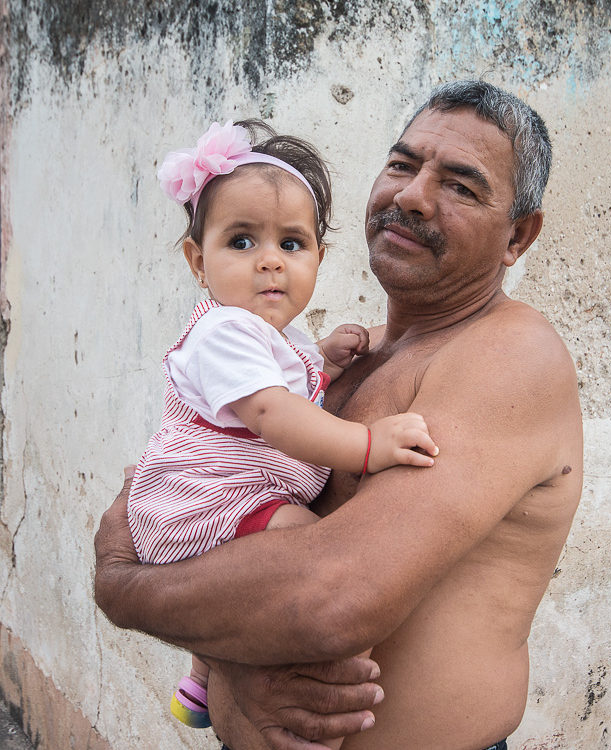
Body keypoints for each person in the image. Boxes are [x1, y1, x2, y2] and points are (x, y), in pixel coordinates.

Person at [95, 80, 583, 750]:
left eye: (461, 187)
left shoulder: (510, 356)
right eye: (403, 165)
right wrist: (240, 655)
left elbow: (329, 598)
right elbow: (169, 481)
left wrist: (125, 589)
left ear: (518, 236)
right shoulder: (338, 359)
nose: (412, 195)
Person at [127, 119, 438, 738]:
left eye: (292, 244)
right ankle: (264, 669)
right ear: (197, 260)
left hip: (231, 495)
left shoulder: (268, 335)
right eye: (241, 242)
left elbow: (278, 384)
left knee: (260, 573)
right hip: (207, 501)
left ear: (318, 258)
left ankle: (200, 677)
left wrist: (320, 358)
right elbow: (270, 413)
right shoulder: (223, 330)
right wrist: (367, 446)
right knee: (311, 552)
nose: (269, 261)